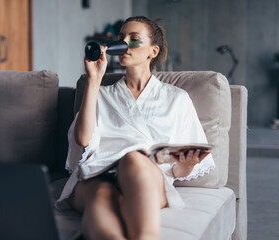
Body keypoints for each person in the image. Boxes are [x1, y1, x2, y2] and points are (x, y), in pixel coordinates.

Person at [56, 16, 215, 240]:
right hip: (98, 175)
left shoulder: (176, 99)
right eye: (122, 38)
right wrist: (94, 79)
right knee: (101, 194)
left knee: (133, 159)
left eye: (135, 39)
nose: (125, 43)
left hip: (145, 178)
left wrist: (186, 165)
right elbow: (83, 140)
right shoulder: (102, 94)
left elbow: (177, 170)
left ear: (153, 51)